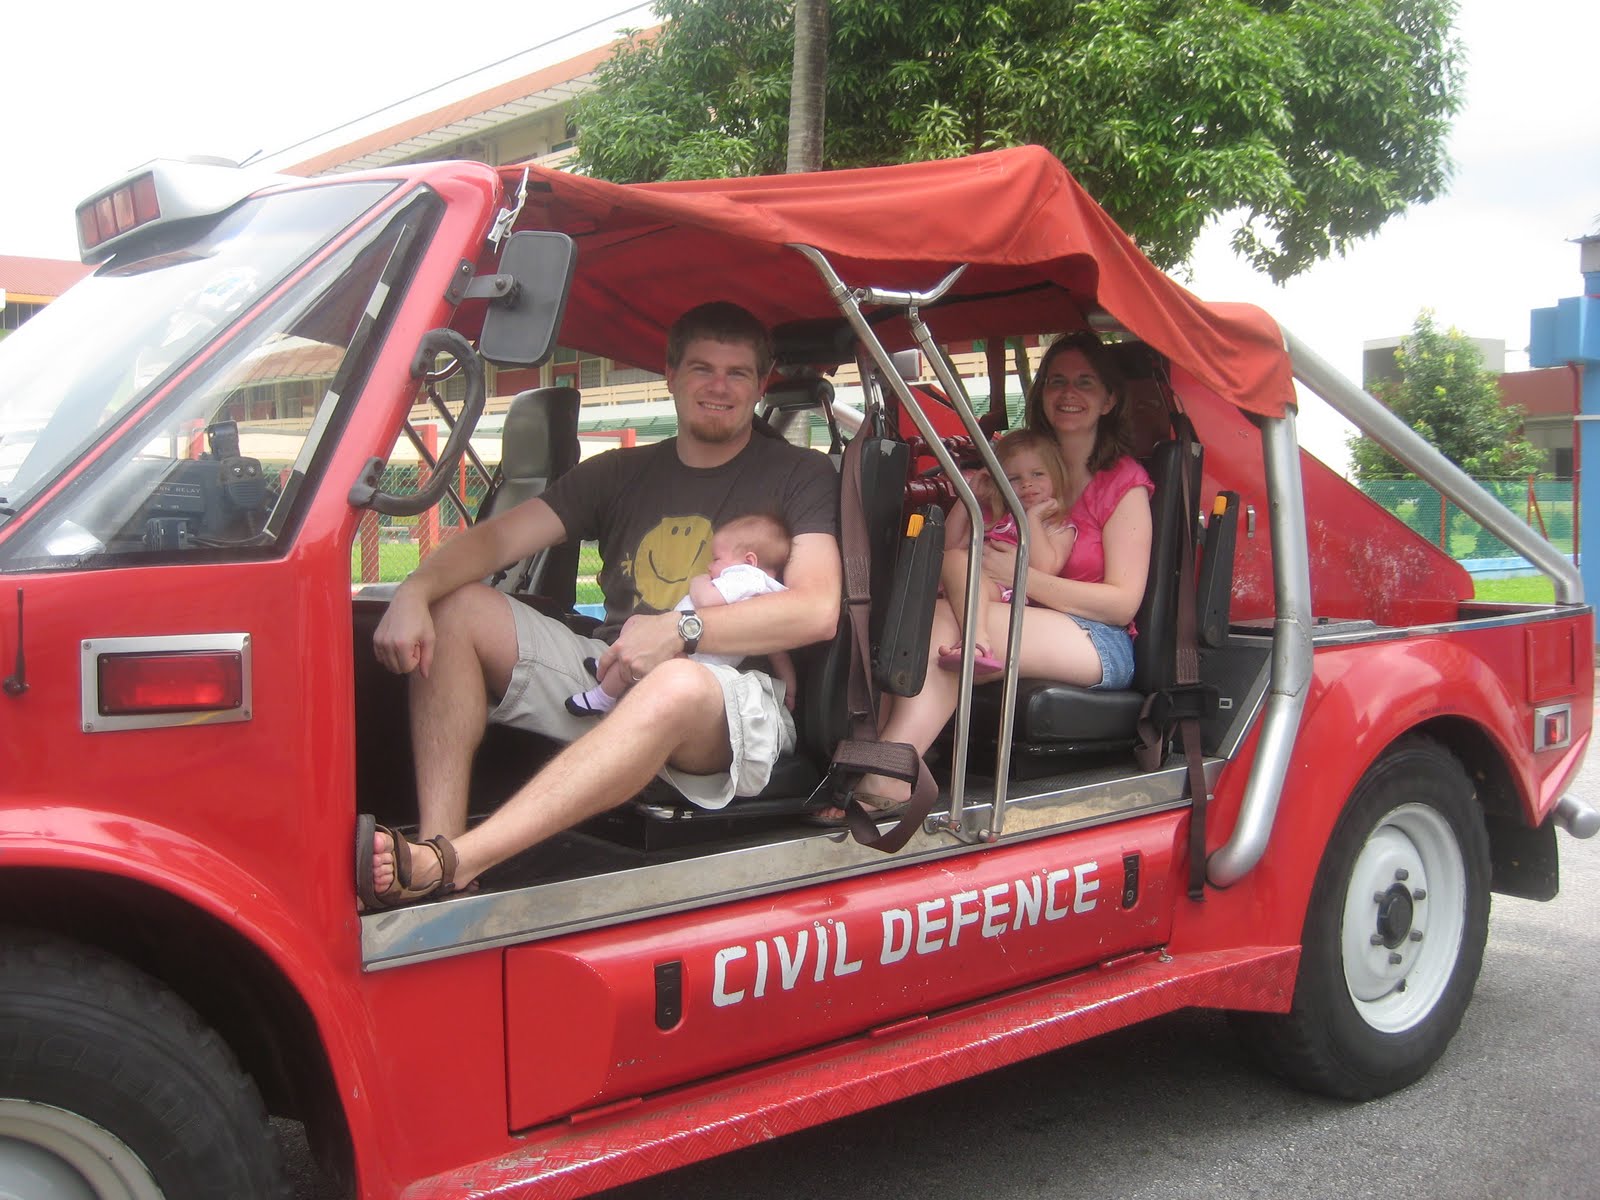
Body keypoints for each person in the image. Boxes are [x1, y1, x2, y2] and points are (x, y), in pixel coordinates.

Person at [360, 301, 841, 907]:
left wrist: (683, 630)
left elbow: (818, 608)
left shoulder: (800, 473)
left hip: (734, 700)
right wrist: (415, 591)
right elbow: (498, 539)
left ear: (760, 384)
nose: (718, 386)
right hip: (613, 671)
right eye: (701, 368)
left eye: (738, 372)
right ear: (670, 375)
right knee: (455, 610)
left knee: (679, 683)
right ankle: (436, 847)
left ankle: (455, 861)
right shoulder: (618, 473)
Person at [820, 330, 1153, 820]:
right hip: (1013, 612)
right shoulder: (1023, 471)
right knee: (931, 617)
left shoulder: (1124, 483)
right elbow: (961, 545)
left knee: (947, 627)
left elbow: (1122, 602)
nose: (1069, 393)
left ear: (1109, 400)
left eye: (1085, 382)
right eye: (1057, 381)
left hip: (1098, 640)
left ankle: (884, 776)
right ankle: (889, 761)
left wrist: (1019, 575)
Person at [566, 512, 797, 716]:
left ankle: (602, 697)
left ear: (750, 560)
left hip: (693, 659)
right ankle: (609, 665)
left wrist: (700, 580)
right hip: (690, 652)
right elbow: (777, 650)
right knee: (636, 623)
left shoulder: (747, 577)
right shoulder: (765, 595)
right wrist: (789, 685)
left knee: (642, 647)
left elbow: (705, 600)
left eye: (716, 559)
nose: (709, 567)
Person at [937, 428, 1077, 678]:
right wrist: (970, 499)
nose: (1027, 484)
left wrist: (1033, 519)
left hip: (1010, 594)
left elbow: (1044, 568)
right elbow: (949, 545)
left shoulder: (1058, 527)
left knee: (960, 565)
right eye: (1013, 478)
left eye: (1037, 474)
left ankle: (977, 642)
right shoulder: (994, 516)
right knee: (954, 558)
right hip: (971, 584)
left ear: (1056, 476)